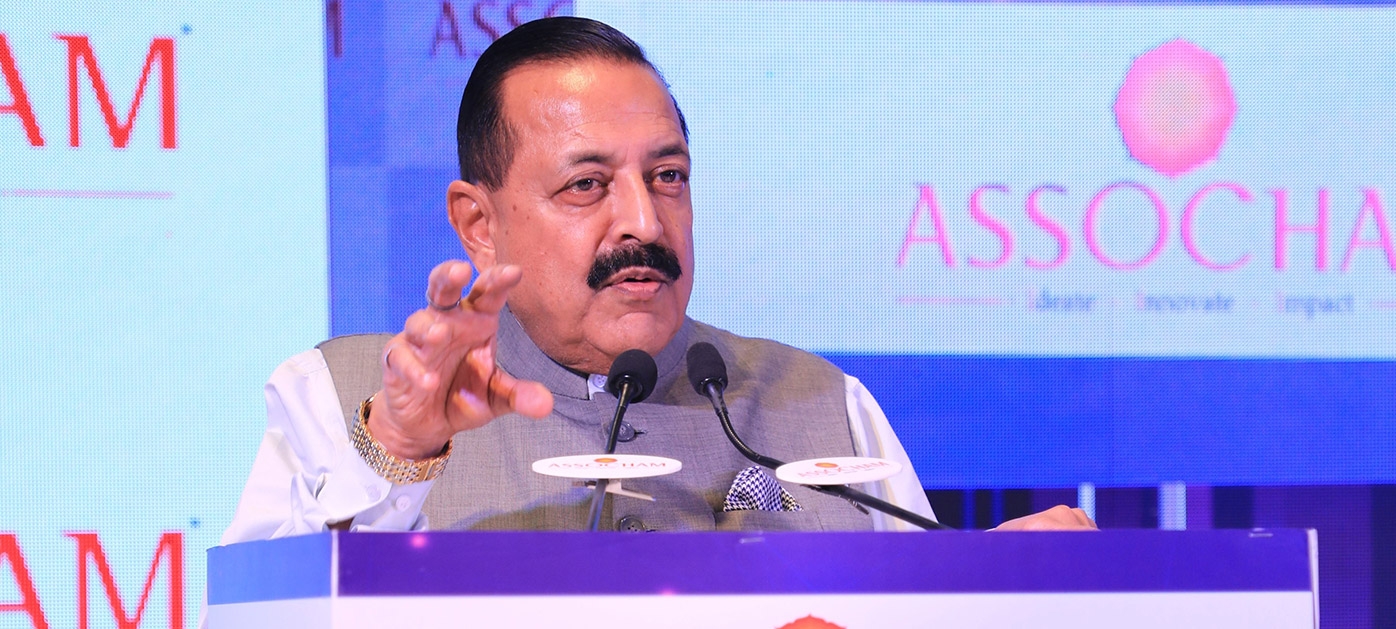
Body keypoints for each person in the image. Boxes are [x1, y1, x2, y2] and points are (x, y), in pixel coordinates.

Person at [220, 16, 1094, 542]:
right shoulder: (337, 393)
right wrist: (400, 450)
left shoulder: (823, 403)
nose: (643, 221)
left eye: (668, 175)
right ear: (478, 224)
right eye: (587, 185)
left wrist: (994, 588)